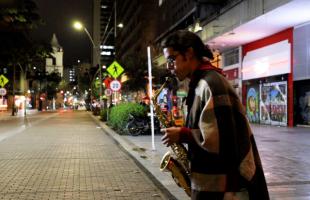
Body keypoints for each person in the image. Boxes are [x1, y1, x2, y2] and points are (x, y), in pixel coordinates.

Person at [160, 30, 270, 200]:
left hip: (223, 188)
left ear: (189, 53)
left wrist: (183, 134)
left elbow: (223, 141)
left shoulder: (210, 83)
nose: (169, 67)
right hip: (214, 184)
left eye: (171, 59)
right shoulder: (200, 83)